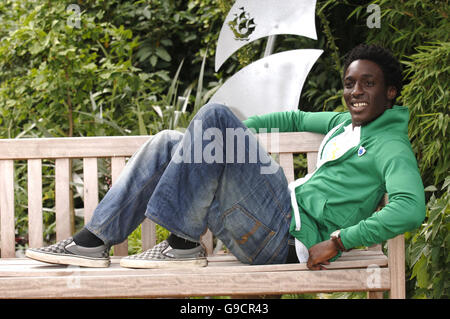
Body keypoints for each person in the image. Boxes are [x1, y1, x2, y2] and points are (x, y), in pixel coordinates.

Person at [25, 44, 426, 271]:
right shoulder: (345, 123)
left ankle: (182, 246)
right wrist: (239, 136)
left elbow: (409, 209)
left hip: (286, 237)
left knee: (216, 118)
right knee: (169, 140)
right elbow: (295, 116)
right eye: (349, 83)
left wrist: (339, 241)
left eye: (368, 84)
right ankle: (92, 243)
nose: (355, 91)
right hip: (265, 221)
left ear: (390, 92)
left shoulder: (391, 146)